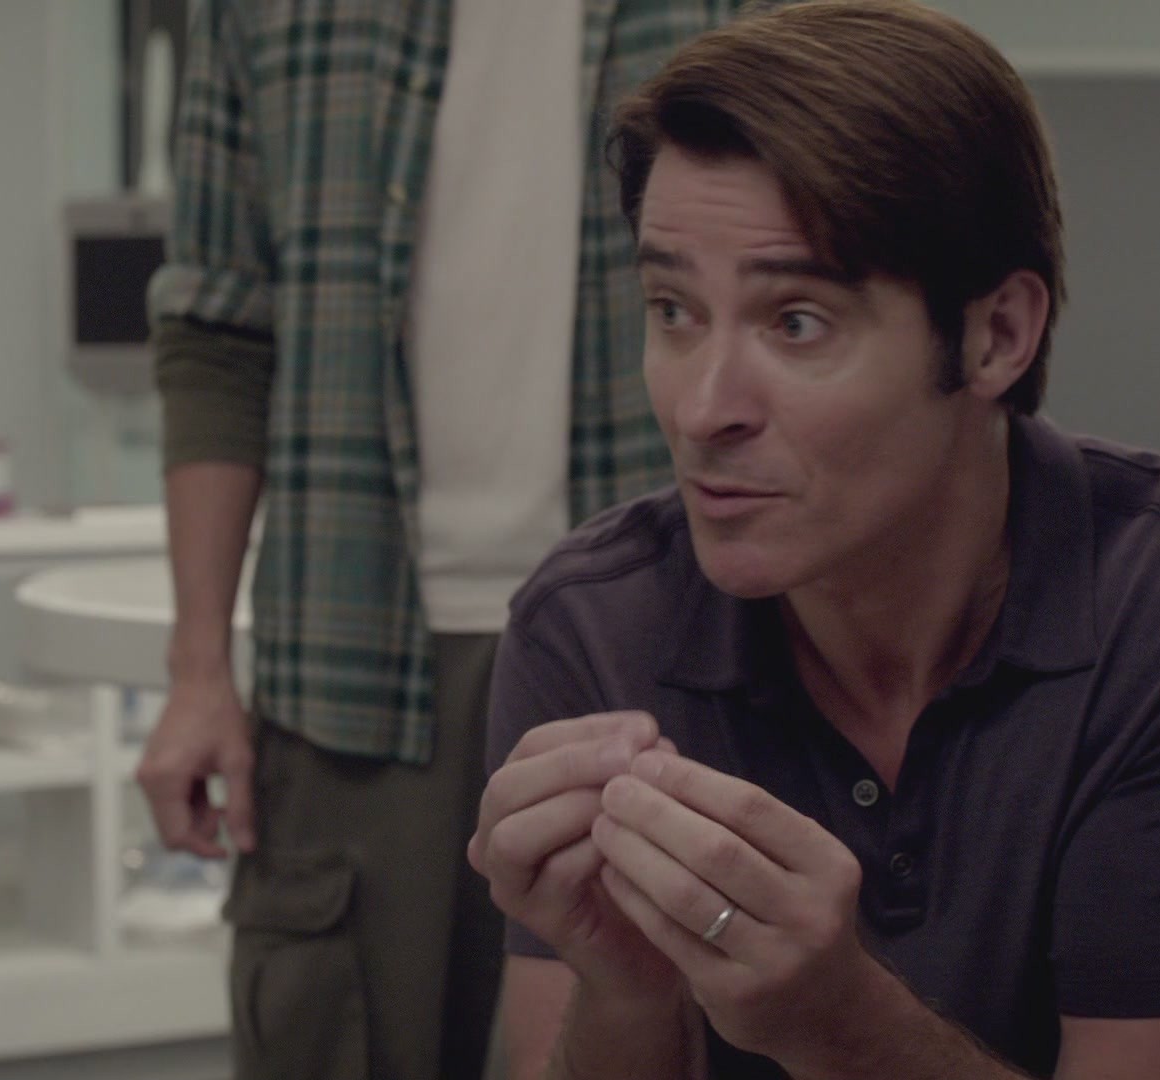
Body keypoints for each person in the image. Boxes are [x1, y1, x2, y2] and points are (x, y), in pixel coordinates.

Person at [470, 3, 1160, 1078]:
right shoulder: (594, 625)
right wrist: (625, 986)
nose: (701, 409)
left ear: (996, 336)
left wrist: (837, 1021)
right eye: (672, 310)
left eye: (797, 322)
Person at [137, 4, 775, 1078]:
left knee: (660, 1028)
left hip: (667, 650)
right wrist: (198, 669)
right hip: (351, 665)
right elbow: (216, 330)